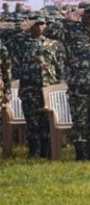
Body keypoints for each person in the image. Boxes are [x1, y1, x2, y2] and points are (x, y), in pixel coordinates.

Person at [45, 2, 90, 161]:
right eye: (88, 12)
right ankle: (81, 154)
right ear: (82, 14)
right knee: (80, 120)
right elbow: (48, 32)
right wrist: (67, 19)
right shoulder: (70, 31)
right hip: (78, 84)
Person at [16, 15, 65, 158]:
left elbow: (60, 66)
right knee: (32, 120)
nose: (39, 27)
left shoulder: (55, 44)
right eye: (36, 24)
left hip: (48, 87)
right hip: (29, 87)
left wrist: (60, 86)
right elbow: (6, 37)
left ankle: (46, 149)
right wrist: (21, 28)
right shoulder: (22, 43)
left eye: (42, 24)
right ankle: (33, 150)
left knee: (47, 120)